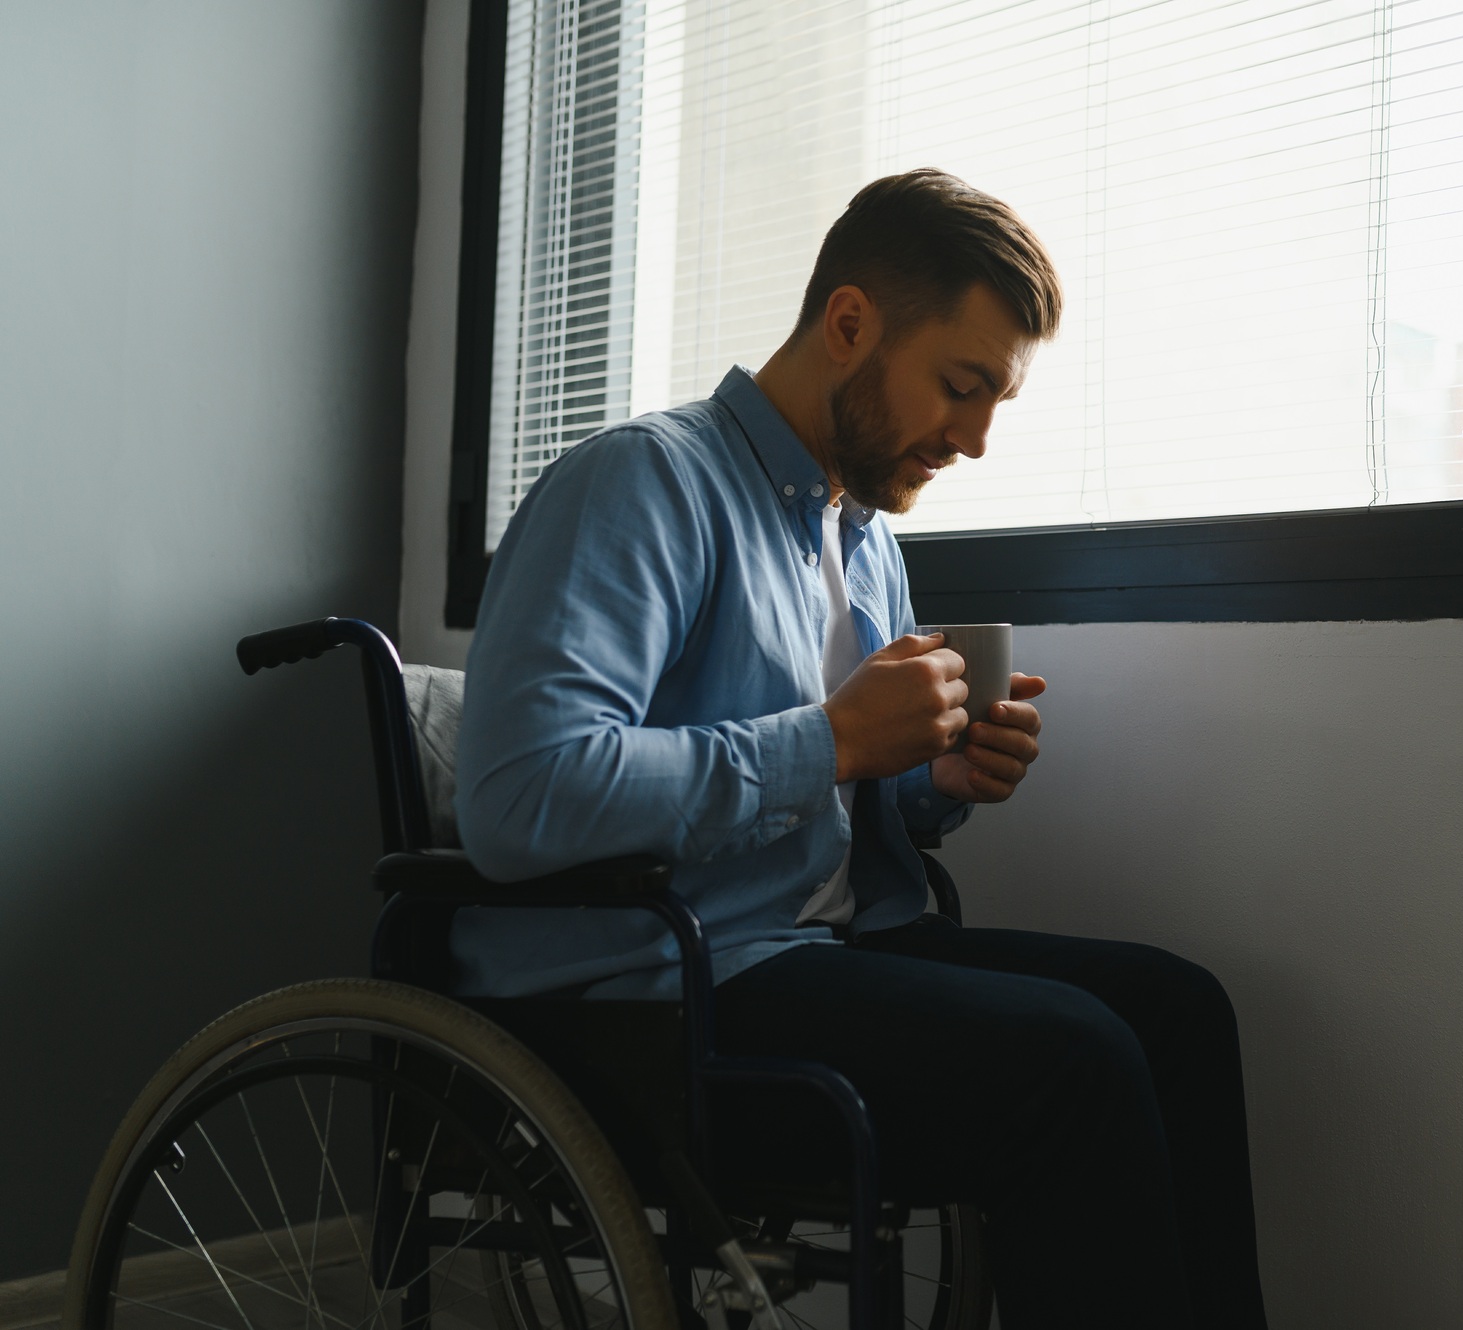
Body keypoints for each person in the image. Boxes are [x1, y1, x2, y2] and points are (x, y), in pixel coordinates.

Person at [454, 168, 1267, 1328]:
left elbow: (838, 802)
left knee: (1179, 1010)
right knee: (1072, 1059)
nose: (977, 438)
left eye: (997, 401)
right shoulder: (642, 482)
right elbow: (517, 794)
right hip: (667, 991)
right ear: (849, 324)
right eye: (960, 385)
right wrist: (832, 740)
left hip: (833, 946)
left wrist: (925, 780)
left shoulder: (866, 541)